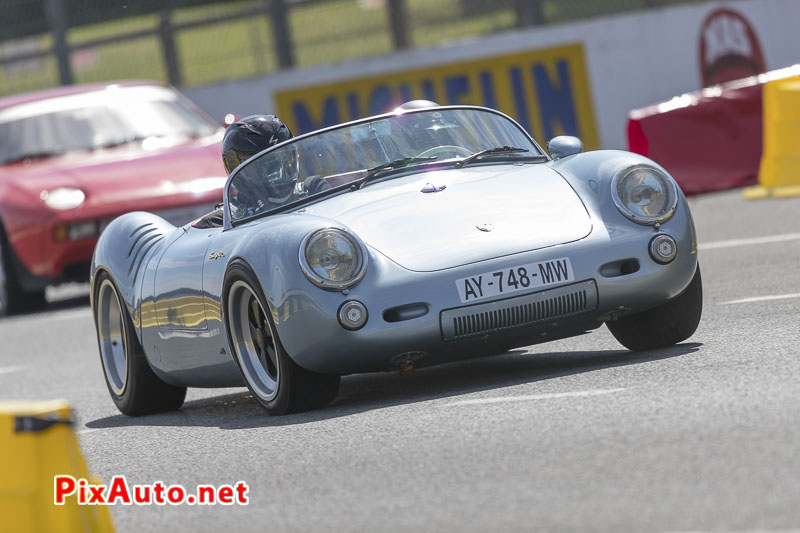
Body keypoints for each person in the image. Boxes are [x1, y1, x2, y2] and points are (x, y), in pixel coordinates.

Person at [223, 114, 330, 219]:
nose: (279, 169)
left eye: (285, 158)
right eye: (266, 164)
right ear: (238, 169)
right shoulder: (227, 217)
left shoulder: (313, 188)